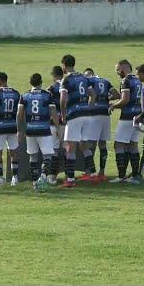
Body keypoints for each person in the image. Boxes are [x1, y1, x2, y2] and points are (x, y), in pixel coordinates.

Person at [59, 54, 97, 187]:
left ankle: (70, 180)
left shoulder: (66, 80)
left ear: (64, 65)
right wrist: (88, 108)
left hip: (74, 114)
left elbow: (63, 99)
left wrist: (63, 114)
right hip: (86, 114)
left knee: (70, 147)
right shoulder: (84, 77)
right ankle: (92, 174)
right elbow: (93, 95)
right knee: (84, 144)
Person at [17, 73, 59, 191]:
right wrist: (59, 128)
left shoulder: (24, 95)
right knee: (48, 156)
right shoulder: (47, 95)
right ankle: (43, 176)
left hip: (30, 130)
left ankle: (35, 183)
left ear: (31, 83)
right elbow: (53, 113)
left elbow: (19, 114)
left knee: (33, 156)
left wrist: (20, 130)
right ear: (41, 82)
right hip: (44, 129)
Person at [108, 60, 143, 184]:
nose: (117, 72)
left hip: (127, 117)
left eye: (118, 69)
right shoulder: (138, 80)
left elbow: (125, 100)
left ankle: (121, 176)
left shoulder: (126, 81)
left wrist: (113, 106)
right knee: (133, 144)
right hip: (138, 116)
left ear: (124, 68)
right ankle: (134, 176)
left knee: (118, 145)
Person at [83, 68, 118, 181]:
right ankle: (102, 173)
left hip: (94, 115)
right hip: (105, 115)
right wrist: (107, 99)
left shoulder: (89, 81)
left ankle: (89, 172)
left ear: (89, 74)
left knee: (90, 144)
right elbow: (117, 94)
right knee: (102, 144)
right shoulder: (105, 81)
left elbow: (89, 96)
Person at [0, 72, 22, 187]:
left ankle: (0, 179)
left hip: (0, 126)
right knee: (13, 153)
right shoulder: (16, 93)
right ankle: (15, 178)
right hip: (12, 126)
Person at [46, 66, 65, 185]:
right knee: (68, 149)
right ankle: (69, 175)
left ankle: (52, 176)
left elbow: (49, 108)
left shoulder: (51, 88)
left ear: (53, 75)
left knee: (54, 150)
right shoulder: (68, 86)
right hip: (68, 122)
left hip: (55, 123)